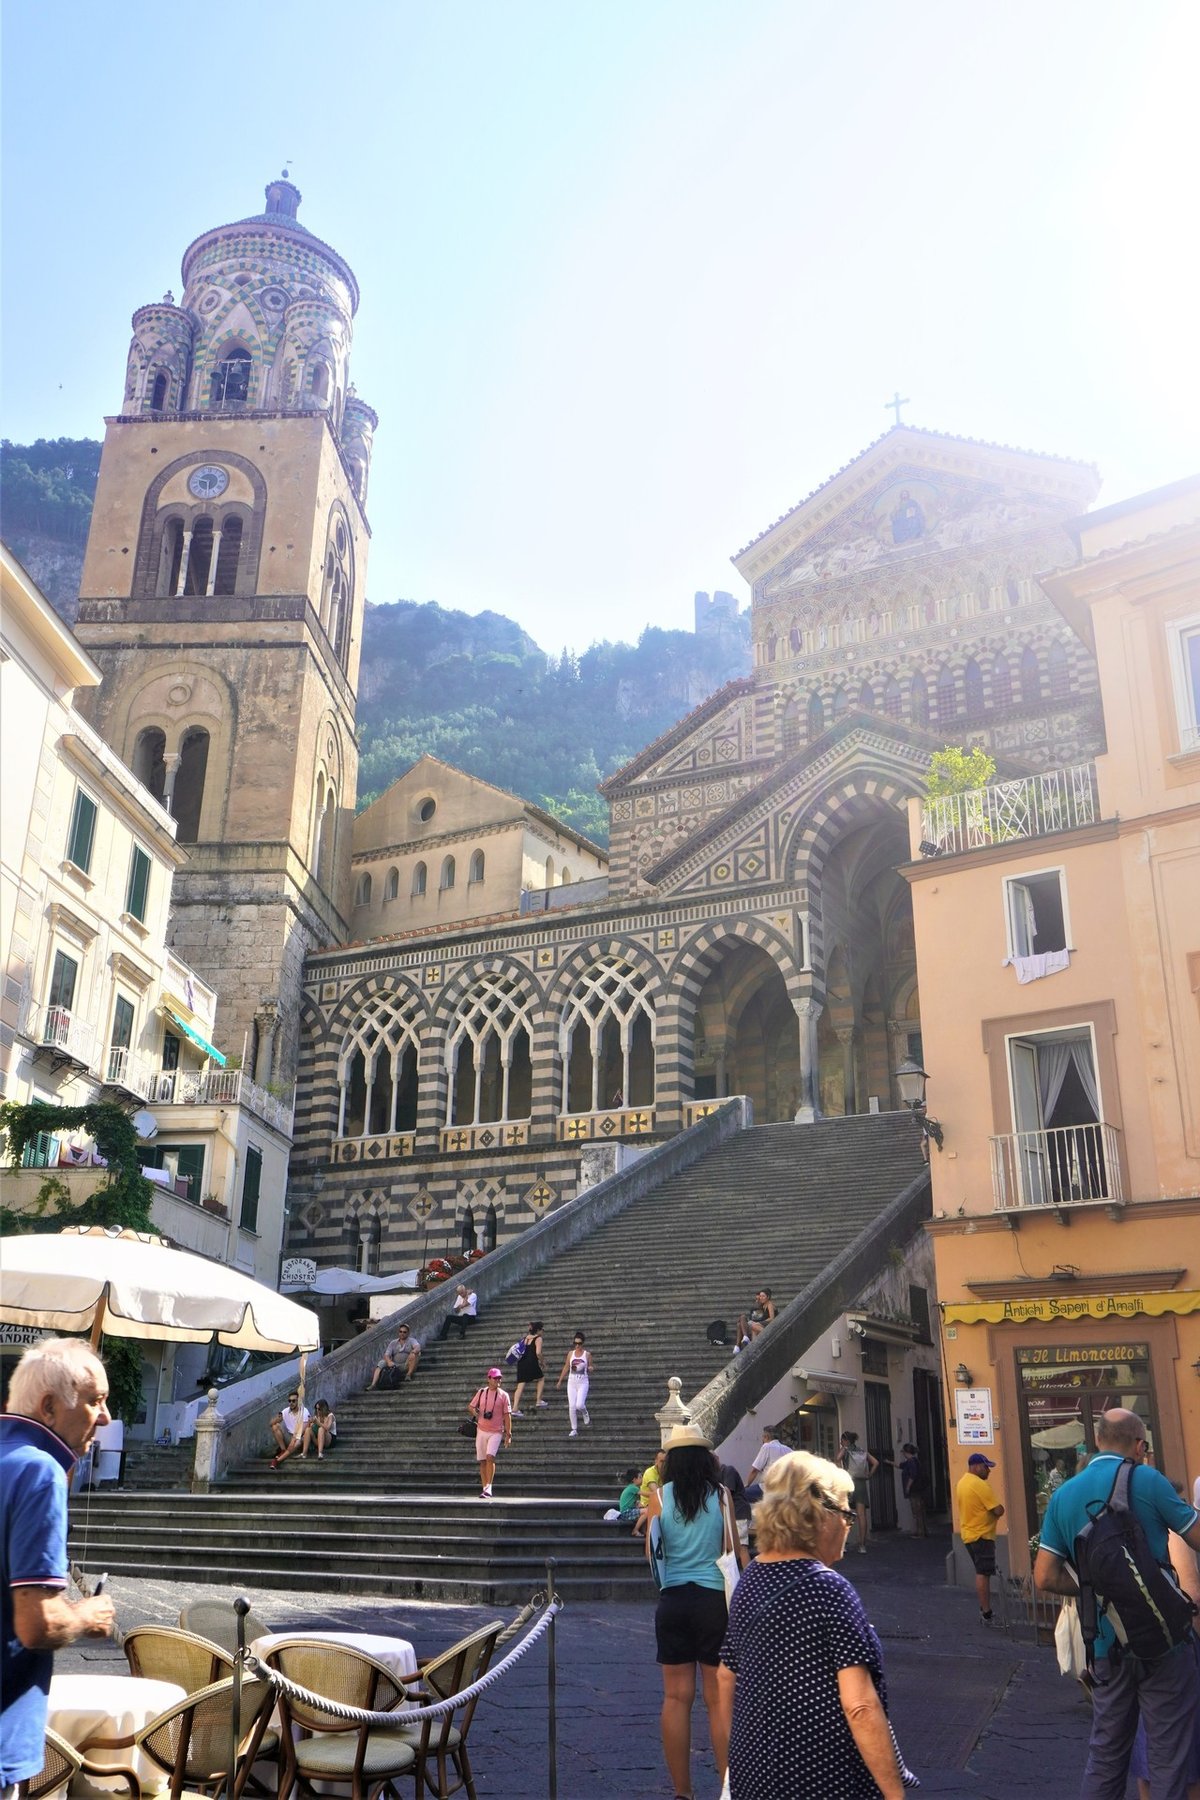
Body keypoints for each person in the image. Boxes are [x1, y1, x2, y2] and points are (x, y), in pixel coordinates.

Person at [718, 1450, 914, 1799]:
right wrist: (894, 1794)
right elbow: (860, 1705)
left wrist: (741, 1758)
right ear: (820, 1515)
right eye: (846, 1514)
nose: (849, 1525)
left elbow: (725, 1676)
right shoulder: (828, 1589)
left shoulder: (751, 1579)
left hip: (755, 1776)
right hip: (821, 1778)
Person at [1034, 1409, 1200, 1798]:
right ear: (1140, 1446)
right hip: (1164, 1639)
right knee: (1168, 1755)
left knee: (1106, 1754)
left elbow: (1044, 1577)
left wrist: (1098, 1591)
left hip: (1106, 1643)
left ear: (1097, 1441)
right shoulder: (1150, 1481)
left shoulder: (1064, 1495)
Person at [1, 1340, 118, 1795]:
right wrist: (88, 1614)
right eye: (95, 1401)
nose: (105, 1417)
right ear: (49, 1408)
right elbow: (38, 1624)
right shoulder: (39, 1472)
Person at [644, 1423, 746, 1800]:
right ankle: (728, 1788)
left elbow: (653, 1555)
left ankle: (683, 1793)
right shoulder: (721, 1496)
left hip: (673, 1601)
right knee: (718, 1701)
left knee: (676, 1698)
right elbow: (731, 1549)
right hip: (713, 1601)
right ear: (705, 1458)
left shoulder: (659, 1497)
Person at [956, 1452, 1004, 1621]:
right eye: (986, 1467)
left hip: (969, 1534)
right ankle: (986, 1611)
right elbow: (997, 1509)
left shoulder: (962, 1482)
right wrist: (1000, 1510)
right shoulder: (979, 1484)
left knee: (982, 1571)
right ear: (976, 1467)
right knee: (983, 1572)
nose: (988, 1471)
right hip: (982, 1534)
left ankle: (984, 1608)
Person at [467, 1367, 512, 1499]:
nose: (498, 1380)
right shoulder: (481, 1392)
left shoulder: (504, 1395)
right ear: (489, 1379)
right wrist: (474, 1411)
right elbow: (471, 1406)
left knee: (490, 1457)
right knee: (482, 1460)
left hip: (496, 1431)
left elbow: (507, 1415)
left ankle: (489, 1486)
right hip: (481, 1430)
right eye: (495, 1378)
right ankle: (484, 1487)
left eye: (499, 1378)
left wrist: (508, 1434)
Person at [837, 1431, 880, 1554]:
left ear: (846, 1441)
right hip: (861, 1485)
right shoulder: (862, 1451)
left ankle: (843, 1545)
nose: (841, 1442)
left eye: (842, 1440)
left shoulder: (846, 1450)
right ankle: (862, 1545)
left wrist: (843, 1448)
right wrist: (869, 1475)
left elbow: (837, 1458)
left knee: (845, 1515)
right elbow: (876, 1463)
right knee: (862, 1515)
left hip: (848, 1484)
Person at [556, 1332, 593, 1437]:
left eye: (579, 1344)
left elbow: (590, 1367)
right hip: (571, 1382)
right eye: (575, 1343)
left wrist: (591, 1368)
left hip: (583, 1382)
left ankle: (584, 1412)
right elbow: (566, 1367)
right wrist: (560, 1380)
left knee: (579, 1405)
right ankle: (574, 1429)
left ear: (583, 1343)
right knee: (572, 1406)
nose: (577, 1346)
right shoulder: (570, 1354)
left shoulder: (587, 1354)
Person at [366, 1323, 421, 1389]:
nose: (402, 1333)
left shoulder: (412, 1340)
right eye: (400, 1331)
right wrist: (389, 1362)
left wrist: (413, 1351)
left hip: (406, 1365)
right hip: (395, 1365)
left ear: (408, 1333)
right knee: (382, 1362)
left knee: (414, 1354)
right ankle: (373, 1384)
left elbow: (418, 1347)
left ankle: (408, 1375)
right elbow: (386, 1354)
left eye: (404, 1332)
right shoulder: (393, 1342)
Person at [510, 1321, 546, 1416]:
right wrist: (543, 1362)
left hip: (521, 1363)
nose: (543, 1331)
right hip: (532, 1363)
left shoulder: (525, 1338)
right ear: (538, 1330)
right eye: (542, 1329)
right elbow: (538, 1353)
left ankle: (515, 1408)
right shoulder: (538, 1338)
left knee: (520, 1385)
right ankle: (538, 1400)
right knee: (541, 1378)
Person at [744, 1427, 789, 1501]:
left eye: (763, 1437)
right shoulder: (787, 1449)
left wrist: (747, 1484)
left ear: (766, 1437)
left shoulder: (767, 1447)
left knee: (741, 1495)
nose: (762, 1440)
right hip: (784, 1489)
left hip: (768, 1488)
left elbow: (754, 1470)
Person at [632, 1448, 668, 1540]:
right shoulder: (650, 1472)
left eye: (666, 1462)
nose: (664, 1464)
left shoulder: (667, 1472)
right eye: (661, 1461)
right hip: (648, 1503)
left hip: (660, 1502)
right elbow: (657, 1492)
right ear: (656, 1461)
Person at [270, 1388, 311, 1466]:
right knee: (275, 1426)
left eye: (293, 1401)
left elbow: (301, 1432)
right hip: (290, 1436)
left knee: (297, 1441)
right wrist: (276, 1419)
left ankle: (279, 1460)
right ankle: (283, 1450)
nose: (291, 1403)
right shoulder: (286, 1411)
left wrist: (293, 1440)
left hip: (300, 1438)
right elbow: (270, 1424)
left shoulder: (304, 1411)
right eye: (289, 1401)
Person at [898, 1443, 928, 1537]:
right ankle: (922, 1531)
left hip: (914, 1489)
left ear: (906, 1452)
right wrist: (890, 1462)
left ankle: (920, 1532)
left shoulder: (911, 1462)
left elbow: (912, 1475)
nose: (903, 1454)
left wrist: (908, 1486)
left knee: (917, 1511)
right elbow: (900, 1465)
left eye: (903, 1452)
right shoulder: (913, 1461)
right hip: (918, 1489)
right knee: (920, 1511)